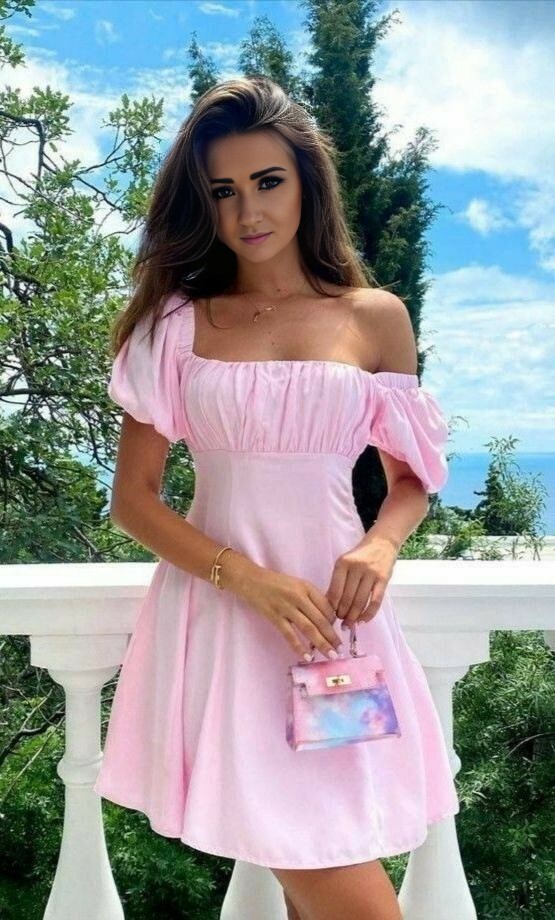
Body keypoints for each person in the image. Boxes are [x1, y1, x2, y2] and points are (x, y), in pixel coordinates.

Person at [93, 75, 460, 920]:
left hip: (334, 630)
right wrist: (248, 581)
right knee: (326, 867)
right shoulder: (175, 323)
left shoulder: (373, 317)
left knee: (324, 843)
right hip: (225, 622)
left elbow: (410, 478)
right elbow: (135, 501)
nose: (247, 210)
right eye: (222, 191)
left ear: (305, 183)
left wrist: (380, 544)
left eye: (267, 181)